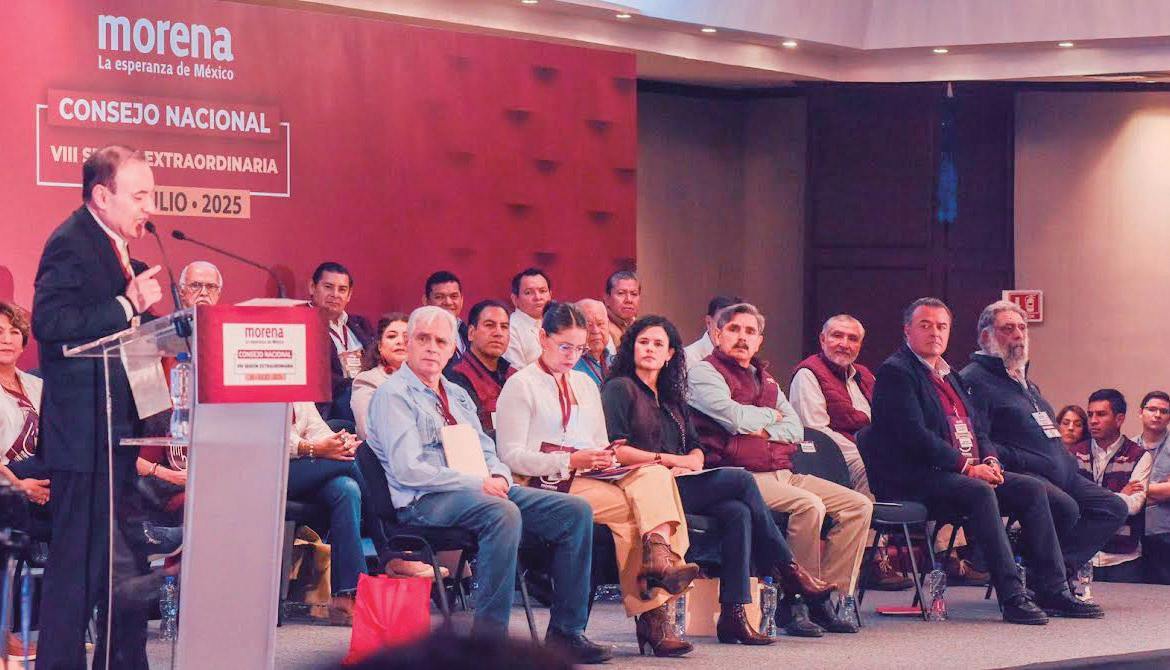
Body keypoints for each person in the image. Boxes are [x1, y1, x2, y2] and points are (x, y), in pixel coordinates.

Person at [365, 306, 610, 663]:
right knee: (502, 513)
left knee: (574, 511)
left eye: (441, 341)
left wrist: (498, 476)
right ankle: (489, 643)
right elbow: (409, 470)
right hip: (423, 500)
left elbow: (487, 450)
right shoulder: (393, 396)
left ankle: (567, 632)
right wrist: (478, 482)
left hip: (476, 490)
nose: (432, 348)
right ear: (409, 342)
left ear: (453, 349)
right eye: (423, 339)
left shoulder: (456, 394)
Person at [602, 315, 836, 646]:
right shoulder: (619, 388)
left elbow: (696, 447)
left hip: (682, 480)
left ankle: (733, 616)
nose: (650, 349)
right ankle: (789, 570)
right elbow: (617, 449)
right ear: (631, 348)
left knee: (737, 512)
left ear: (670, 354)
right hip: (644, 486)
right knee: (741, 481)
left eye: (658, 344)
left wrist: (691, 461)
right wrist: (671, 461)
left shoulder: (671, 396)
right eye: (644, 342)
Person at [866, 297, 1101, 624]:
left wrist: (990, 460)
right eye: (925, 325)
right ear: (907, 330)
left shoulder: (950, 375)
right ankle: (1013, 596)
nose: (935, 332)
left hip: (958, 473)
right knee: (979, 492)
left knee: (1032, 490)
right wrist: (966, 467)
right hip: (916, 477)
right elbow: (914, 436)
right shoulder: (896, 372)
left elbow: (977, 428)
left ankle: (1052, 589)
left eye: (941, 326)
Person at [495, 302, 698, 658]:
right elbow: (510, 455)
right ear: (542, 338)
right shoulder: (521, 385)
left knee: (655, 474)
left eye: (579, 348)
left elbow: (598, 441)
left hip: (588, 473)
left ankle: (658, 566)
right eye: (564, 347)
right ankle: (656, 604)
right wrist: (569, 459)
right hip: (540, 482)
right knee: (639, 514)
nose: (572, 356)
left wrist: (604, 456)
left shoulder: (585, 384)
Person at [32, 145, 165, 669]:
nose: (149, 207)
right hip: (83, 439)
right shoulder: (71, 242)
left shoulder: (118, 249)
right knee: (77, 568)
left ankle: (124, 662)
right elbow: (50, 323)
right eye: (140, 195)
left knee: (123, 563)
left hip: (116, 434)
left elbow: (126, 337)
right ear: (102, 196)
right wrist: (127, 304)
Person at [688, 304, 870, 635]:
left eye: (750, 332)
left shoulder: (766, 378)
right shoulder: (704, 373)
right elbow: (735, 419)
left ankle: (825, 598)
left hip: (783, 471)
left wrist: (760, 425)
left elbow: (795, 429)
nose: (742, 338)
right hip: (740, 476)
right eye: (734, 329)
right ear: (716, 333)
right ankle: (794, 601)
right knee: (808, 505)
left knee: (858, 505)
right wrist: (771, 418)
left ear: (759, 340)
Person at [961, 300, 1127, 581]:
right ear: (986, 336)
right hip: (1024, 474)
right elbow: (978, 440)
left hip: (1061, 474)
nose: (1018, 335)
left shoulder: (1023, 380)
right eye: (1008, 329)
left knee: (1113, 508)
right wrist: (1022, 457)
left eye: (1022, 328)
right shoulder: (974, 380)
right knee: (1066, 508)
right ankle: (1048, 577)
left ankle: (1051, 574)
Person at [287, 400, 369, 623]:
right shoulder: (255, 383)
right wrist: (312, 448)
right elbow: (269, 437)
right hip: (267, 468)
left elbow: (317, 428)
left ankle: (345, 596)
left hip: (305, 470)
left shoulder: (298, 390)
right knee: (350, 463)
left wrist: (338, 443)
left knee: (347, 489)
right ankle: (389, 548)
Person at [0, 302, 46, 661]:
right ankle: (3, 634)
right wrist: (18, 485)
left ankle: (65, 626)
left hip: (39, 484)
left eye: (14, 332)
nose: (7, 339)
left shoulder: (37, 385)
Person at [1069, 389, 1151, 583]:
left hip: (1122, 558)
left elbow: (1133, 505)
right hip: (1081, 556)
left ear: (1119, 419)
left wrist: (1089, 499)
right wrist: (1117, 495)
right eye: (1090, 414)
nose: (1093, 421)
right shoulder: (1074, 454)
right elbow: (1069, 500)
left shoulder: (1139, 455)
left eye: (1101, 414)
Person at [790, 314, 875, 496]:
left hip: (870, 449)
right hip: (832, 455)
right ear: (822, 339)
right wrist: (866, 452)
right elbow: (816, 431)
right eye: (837, 336)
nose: (844, 344)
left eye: (853, 339)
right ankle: (868, 516)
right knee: (871, 468)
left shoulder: (865, 375)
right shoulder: (808, 374)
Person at [310, 261, 374, 422]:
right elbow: (319, 379)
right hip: (333, 406)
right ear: (312, 287)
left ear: (349, 295)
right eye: (328, 287)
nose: (335, 294)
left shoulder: (360, 324)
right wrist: (357, 384)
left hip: (368, 394)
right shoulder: (303, 326)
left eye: (342, 289)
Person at [445, 300, 515, 438]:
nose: (498, 333)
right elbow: (472, 434)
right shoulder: (455, 377)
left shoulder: (514, 375)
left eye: (504, 327)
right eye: (489, 325)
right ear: (471, 333)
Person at [350, 313, 409, 440]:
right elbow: (369, 432)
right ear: (380, 346)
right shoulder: (367, 381)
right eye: (392, 336)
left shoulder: (429, 380)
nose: (400, 341)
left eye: (407, 337)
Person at [1138, 391, 1170, 584]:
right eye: (1152, 409)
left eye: (1164, 411)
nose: (1157, 415)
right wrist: (1159, 490)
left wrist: (1138, 490)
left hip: (1165, 533)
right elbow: (1117, 488)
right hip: (1132, 535)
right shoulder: (1128, 446)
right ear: (1141, 413)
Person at [504, 268, 552, 367]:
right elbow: (515, 372)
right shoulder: (509, 329)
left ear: (550, 295)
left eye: (542, 291)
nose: (538, 297)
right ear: (515, 299)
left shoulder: (555, 323)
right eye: (528, 292)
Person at [683, 295, 742, 369]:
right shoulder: (687, 359)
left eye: (734, 327)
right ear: (708, 322)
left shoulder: (743, 357)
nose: (728, 330)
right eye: (722, 322)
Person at [424, 270, 469, 358]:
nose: (448, 302)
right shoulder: (418, 335)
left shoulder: (469, 334)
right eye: (439, 297)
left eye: (454, 296)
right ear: (426, 301)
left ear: (461, 300)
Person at [572, 299, 611, 387]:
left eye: (600, 324)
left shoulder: (616, 362)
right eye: (588, 325)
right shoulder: (570, 365)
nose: (596, 331)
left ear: (608, 324)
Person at [603, 270, 640, 347]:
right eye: (621, 293)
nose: (629, 300)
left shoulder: (640, 328)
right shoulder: (600, 329)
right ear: (607, 299)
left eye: (634, 294)